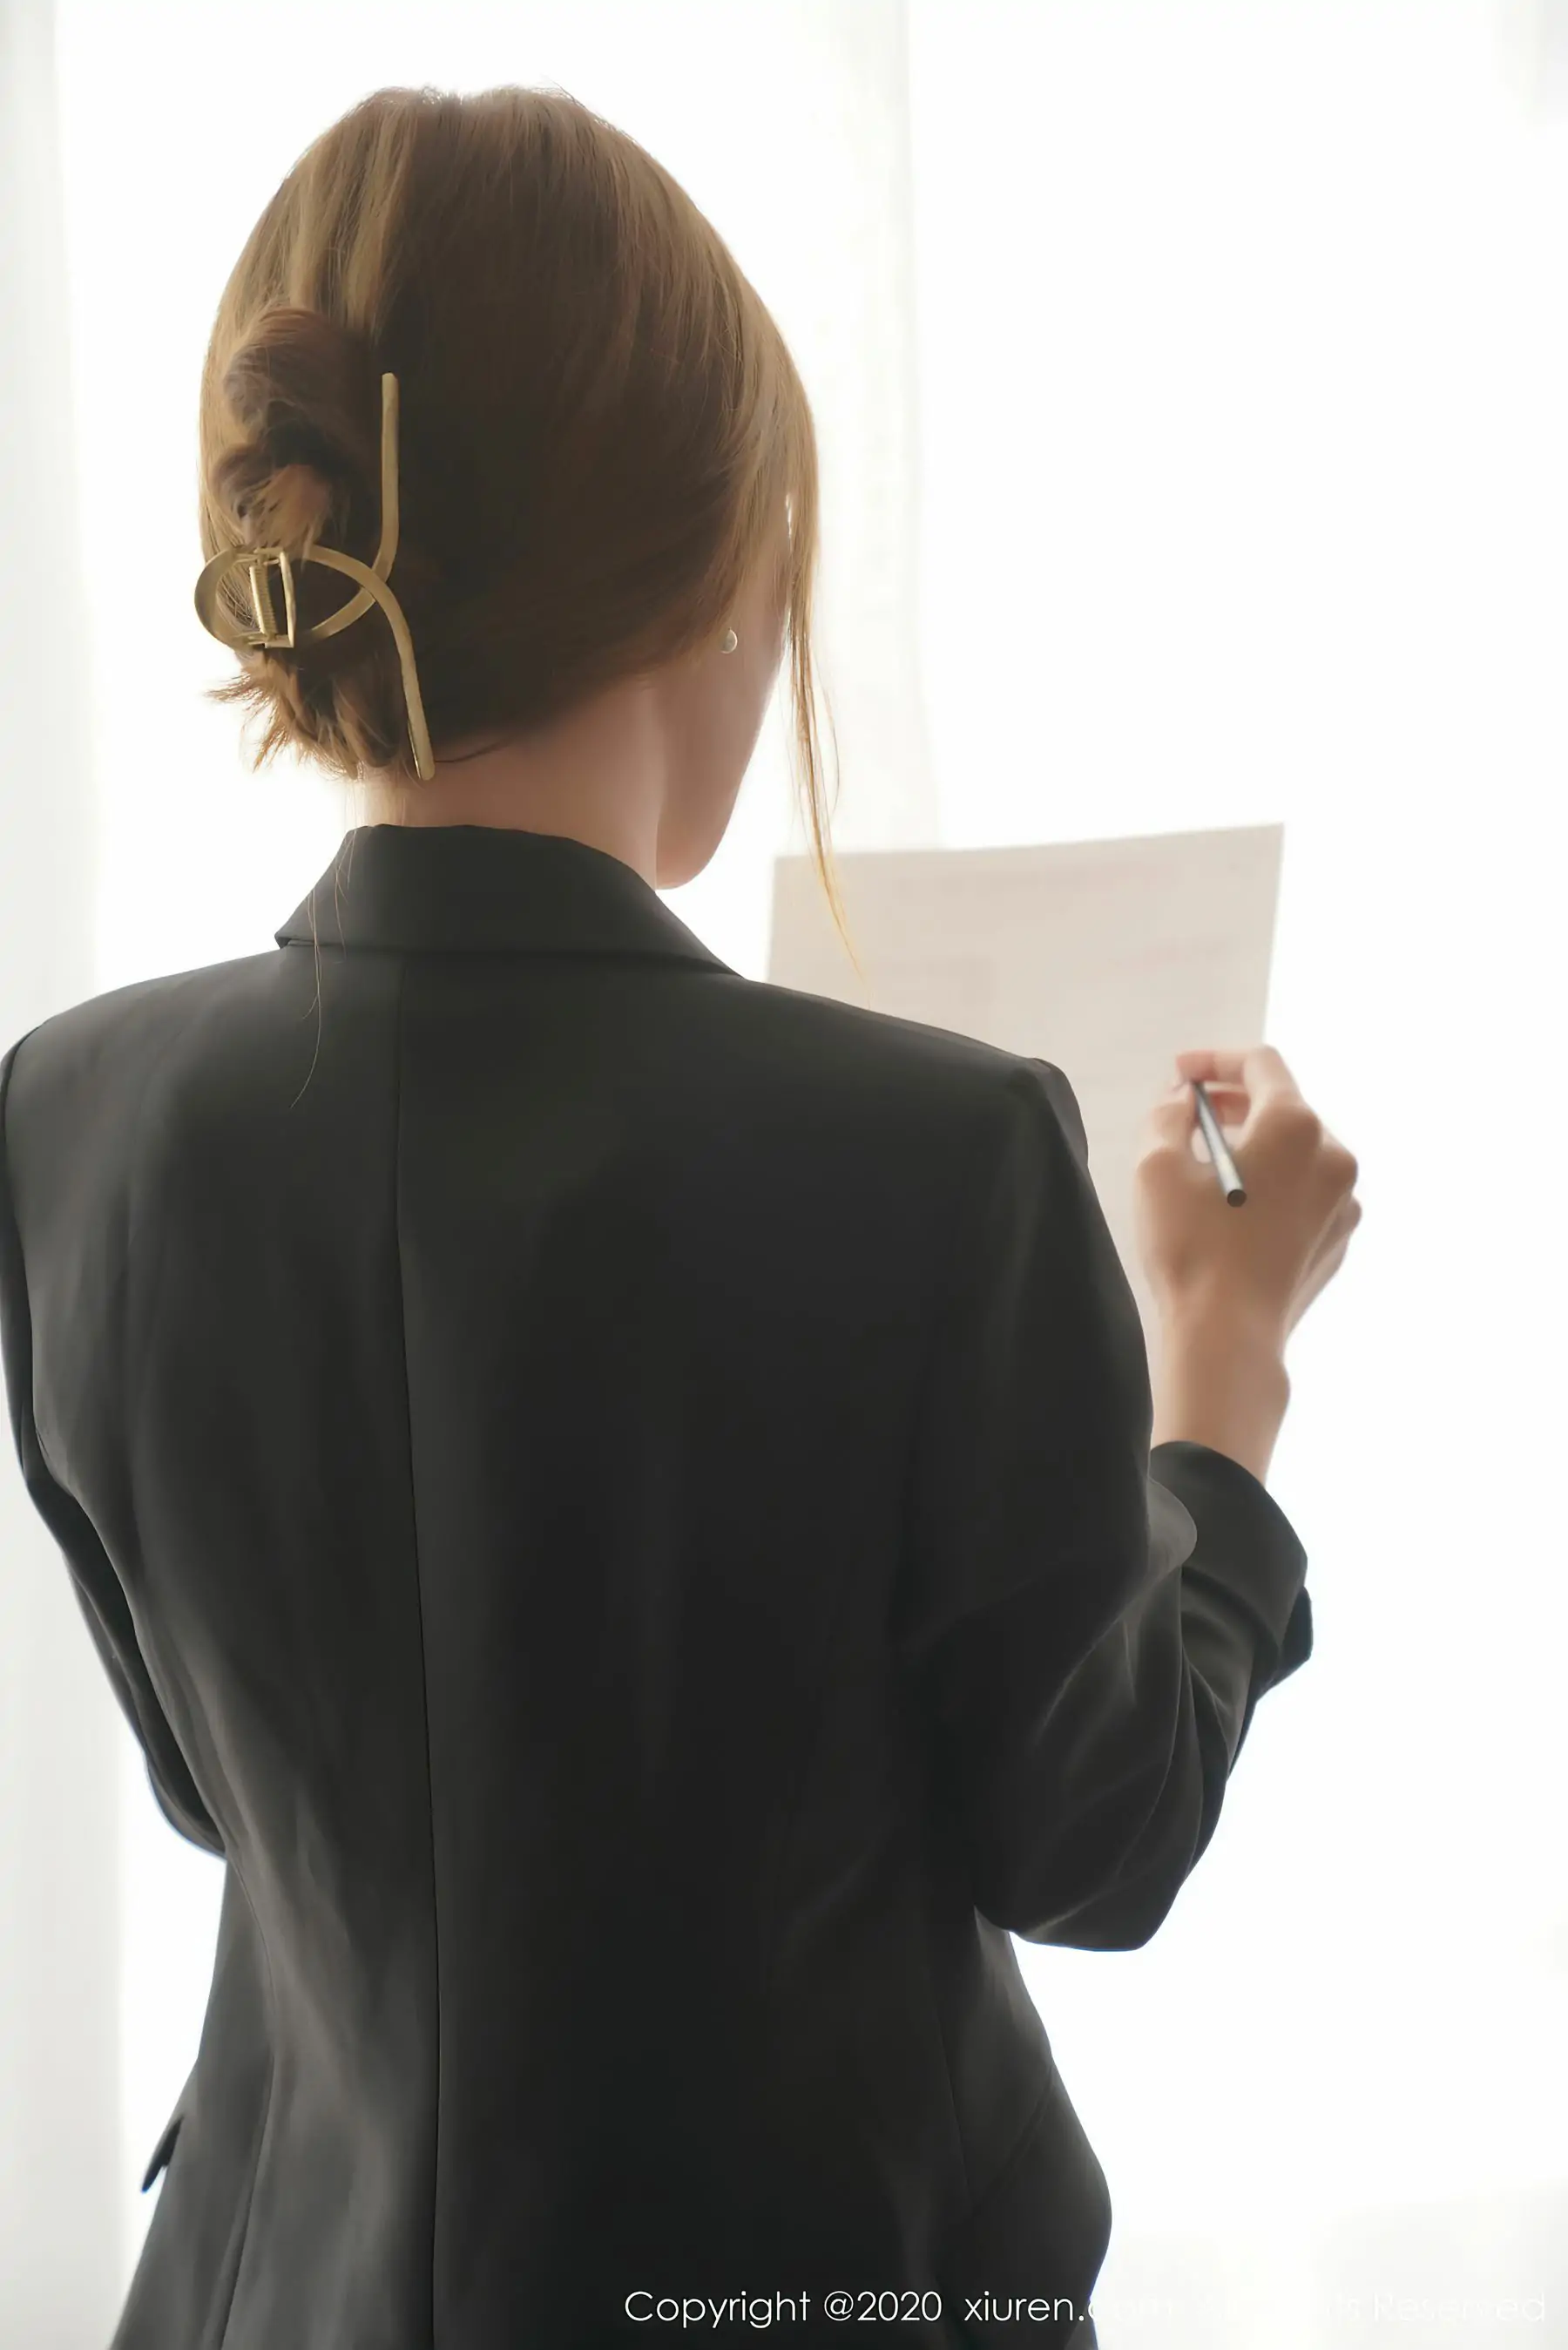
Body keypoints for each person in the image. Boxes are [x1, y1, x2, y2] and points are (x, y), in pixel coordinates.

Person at [0, 82, 1361, 2350]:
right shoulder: (944, 1155)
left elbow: (228, 1791)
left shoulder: (66, 1118)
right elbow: (1099, 1841)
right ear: (722, 576)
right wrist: (1223, 1377)